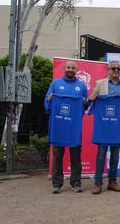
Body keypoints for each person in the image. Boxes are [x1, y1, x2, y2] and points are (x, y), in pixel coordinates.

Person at [89, 61, 120, 194]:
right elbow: (92, 100)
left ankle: (112, 182)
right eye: (113, 68)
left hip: (117, 127)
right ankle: (98, 183)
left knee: (115, 156)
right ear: (108, 70)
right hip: (103, 127)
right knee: (101, 155)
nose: (116, 70)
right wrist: (92, 98)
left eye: (118, 68)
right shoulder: (99, 83)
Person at [45, 60, 88, 194]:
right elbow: (47, 103)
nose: (70, 69)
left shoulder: (81, 86)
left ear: (76, 70)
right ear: (64, 69)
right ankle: (57, 184)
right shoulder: (55, 84)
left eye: (73, 68)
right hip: (59, 128)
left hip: (74, 129)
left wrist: (86, 102)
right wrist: (49, 100)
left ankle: (76, 183)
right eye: (68, 67)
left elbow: (86, 106)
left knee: (75, 157)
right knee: (57, 156)